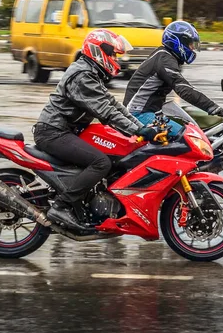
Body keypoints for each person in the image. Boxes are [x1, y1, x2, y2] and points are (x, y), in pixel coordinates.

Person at [34, 29, 156, 232]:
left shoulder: (90, 72)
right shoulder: (82, 76)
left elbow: (114, 105)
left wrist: (141, 127)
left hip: (65, 131)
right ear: (100, 51)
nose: (116, 59)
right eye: (114, 54)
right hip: (53, 132)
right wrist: (138, 130)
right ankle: (61, 206)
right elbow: (106, 111)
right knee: (101, 163)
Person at [124, 21, 223, 135]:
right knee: (188, 137)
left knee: (192, 126)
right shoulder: (165, 59)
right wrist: (214, 108)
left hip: (151, 112)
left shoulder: (166, 56)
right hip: (138, 114)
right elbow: (185, 90)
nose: (193, 49)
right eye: (191, 45)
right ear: (178, 42)